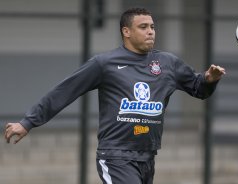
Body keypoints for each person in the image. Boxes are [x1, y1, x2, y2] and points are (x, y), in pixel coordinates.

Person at [4, 7, 225, 184]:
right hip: (116, 155)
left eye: (153, 26)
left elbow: (199, 89)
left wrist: (210, 79)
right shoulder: (105, 63)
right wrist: (28, 122)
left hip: (148, 155)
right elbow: (64, 91)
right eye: (143, 27)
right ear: (126, 32)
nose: (151, 31)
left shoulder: (168, 63)